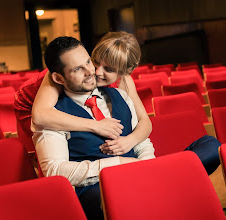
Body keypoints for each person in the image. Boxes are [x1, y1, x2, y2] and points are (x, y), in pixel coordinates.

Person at [32, 36, 156, 220]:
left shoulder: (121, 91)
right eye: (78, 68)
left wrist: (151, 166)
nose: (93, 71)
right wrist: (97, 128)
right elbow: (40, 115)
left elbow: (143, 128)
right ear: (59, 77)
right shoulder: (53, 103)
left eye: (89, 61)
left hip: (136, 170)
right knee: (120, 200)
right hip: (95, 183)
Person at [31, 31, 151, 156]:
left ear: (123, 73)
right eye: (95, 62)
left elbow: (145, 122)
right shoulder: (60, 76)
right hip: (36, 107)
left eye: (108, 69)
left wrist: (130, 141)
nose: (97, 72)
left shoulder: (124, 81)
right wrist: (96, 125)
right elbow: (40, 116)